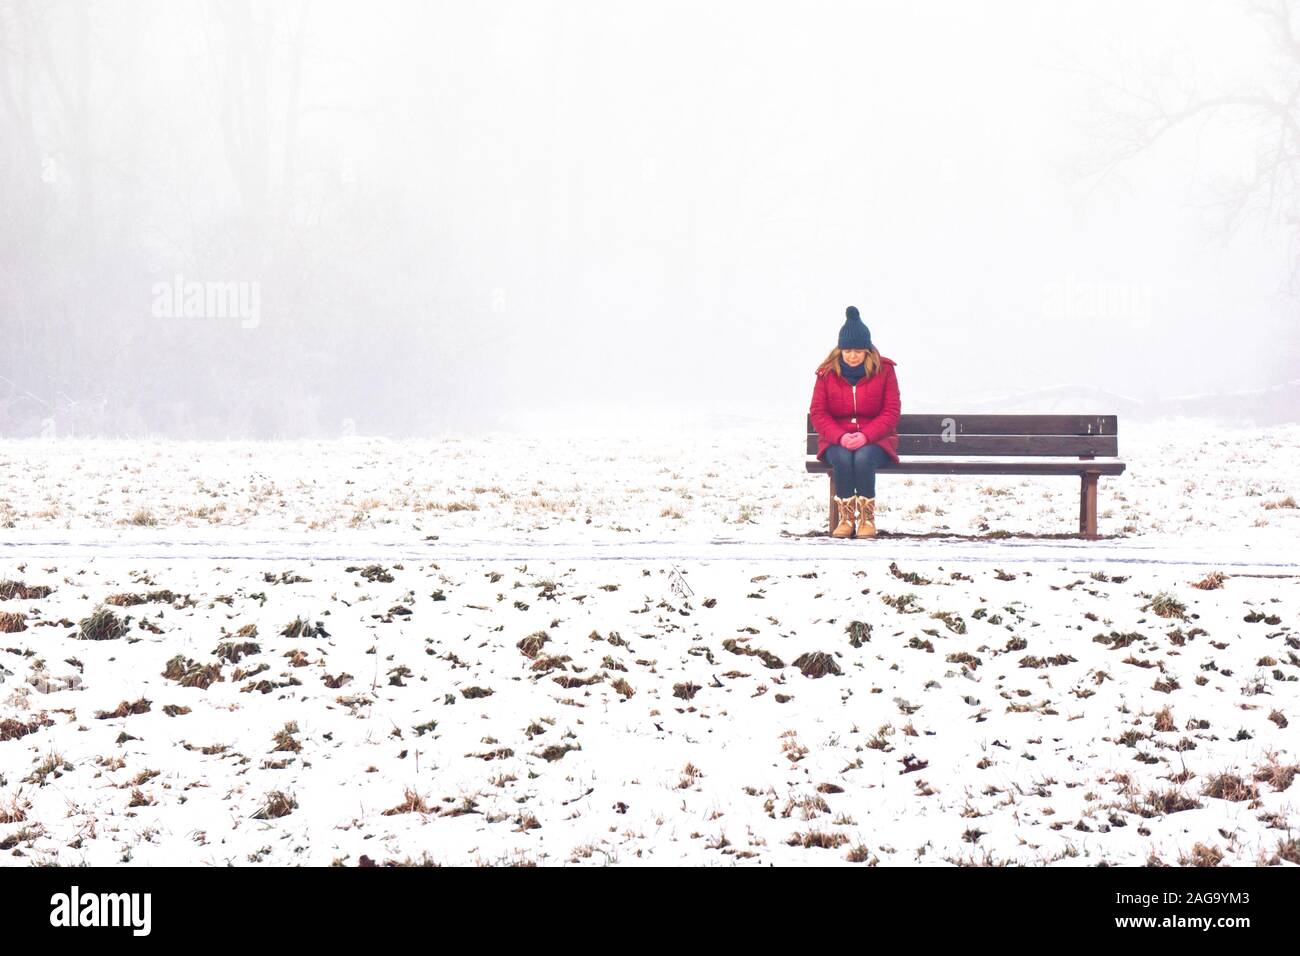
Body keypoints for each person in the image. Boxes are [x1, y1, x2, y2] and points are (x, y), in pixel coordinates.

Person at [808, 306, 902, 538]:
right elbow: (818, 412)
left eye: (858, 350)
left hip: (876, 440)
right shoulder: (826, 374)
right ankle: (846, 519)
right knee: (841, 457)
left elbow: (891, 411)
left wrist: (865, 436)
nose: (852, 356)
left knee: (863, 458)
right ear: (840, 350)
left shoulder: (885, 370)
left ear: (867, 350)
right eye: (848, 350)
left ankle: (867, 520)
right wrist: (840, 437)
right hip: (836, 439)